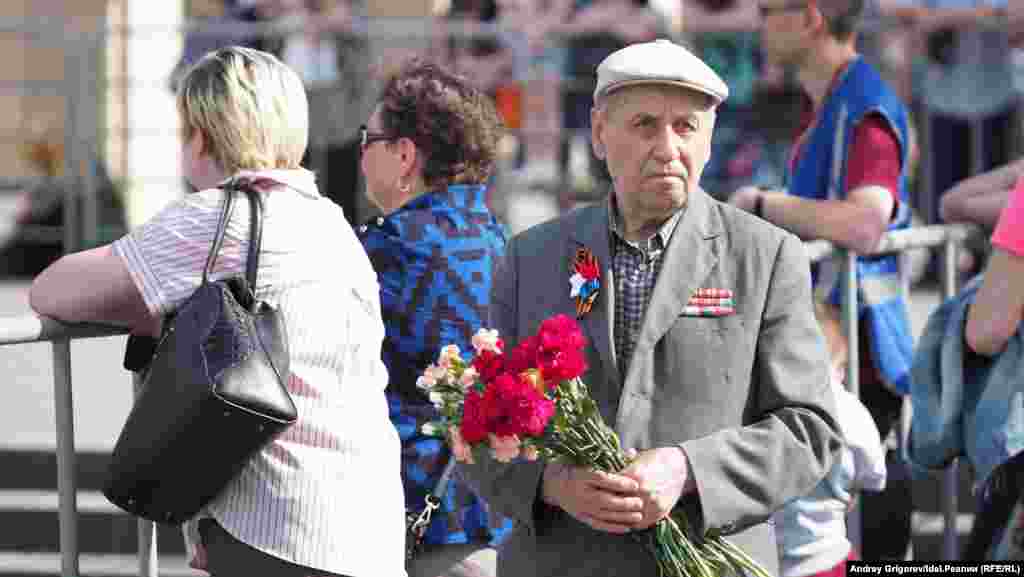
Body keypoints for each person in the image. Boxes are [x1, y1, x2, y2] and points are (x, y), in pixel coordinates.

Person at [461, 38, 843, 576]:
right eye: (645, 125)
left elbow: (810, 430)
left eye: (686, 127)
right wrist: (552, 483)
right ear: (599, 134)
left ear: (709, 139)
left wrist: (689, 470)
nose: (667, 147)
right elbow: (476, 426)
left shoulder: (767, 255)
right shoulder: (531, 257)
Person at [28, 46, 405, 577]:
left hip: (280, 530)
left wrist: (157, 307)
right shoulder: (329, 221)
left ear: (201, 136)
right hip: (364, 523)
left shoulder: (220, 218)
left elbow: (53, 290)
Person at [729, 0, 915, 559]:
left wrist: (762, 204)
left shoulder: (864, 104)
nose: (759, 22)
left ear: (810, 17)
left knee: (872, 528)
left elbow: (865, 223)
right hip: (833, 339)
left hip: (862, 346)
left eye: (768, 10)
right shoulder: (832, 99)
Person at [357, 59, 512, 577]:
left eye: (368, 140)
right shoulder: (501, 239)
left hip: (418, 518)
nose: (362, 154)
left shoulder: (386, 249)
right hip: (494, 513)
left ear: (404, 155)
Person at [773, 301, 887, 577]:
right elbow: (874, 474)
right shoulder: (849, 410)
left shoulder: (762, 403)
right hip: (827, 556)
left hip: (763, 561)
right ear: (837, 366)